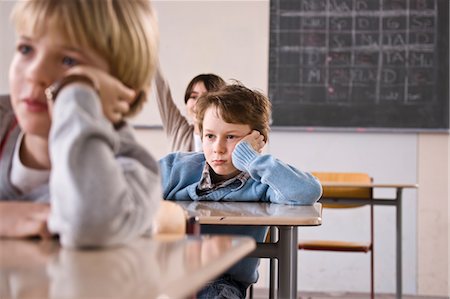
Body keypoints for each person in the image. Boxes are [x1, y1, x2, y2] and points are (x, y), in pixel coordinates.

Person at [0, 0, 164, 247]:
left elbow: (90, 225)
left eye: (68, 61)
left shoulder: (132, 169)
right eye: (26, 49)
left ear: (120, 86)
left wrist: (76, 91)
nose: (34, 72)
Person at [158, 82, 323, 298]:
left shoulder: (263, 181)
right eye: (210, 136)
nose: (217, 148)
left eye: (231, 137)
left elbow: (308, 192)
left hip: (220, 281)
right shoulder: (177, 167)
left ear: (256, 140)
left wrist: (251, 159)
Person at [155, 67, 226, 152]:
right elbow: (160, 87)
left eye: (205, 97)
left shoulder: (229, 138)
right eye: (193, 97)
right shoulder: (178, 129)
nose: (198, 103)